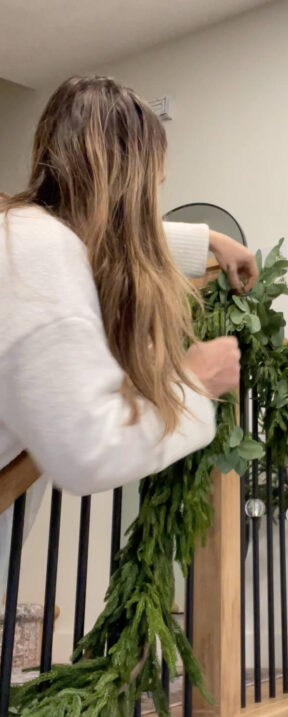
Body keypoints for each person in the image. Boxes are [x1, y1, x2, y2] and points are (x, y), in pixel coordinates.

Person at [0, 75, 258, 589]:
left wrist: (208, 239)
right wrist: (194, 383)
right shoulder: (40, 253)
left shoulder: (21, 231)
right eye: (153, 186)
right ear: (130, 181)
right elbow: (87, 450)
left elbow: (95, 234)